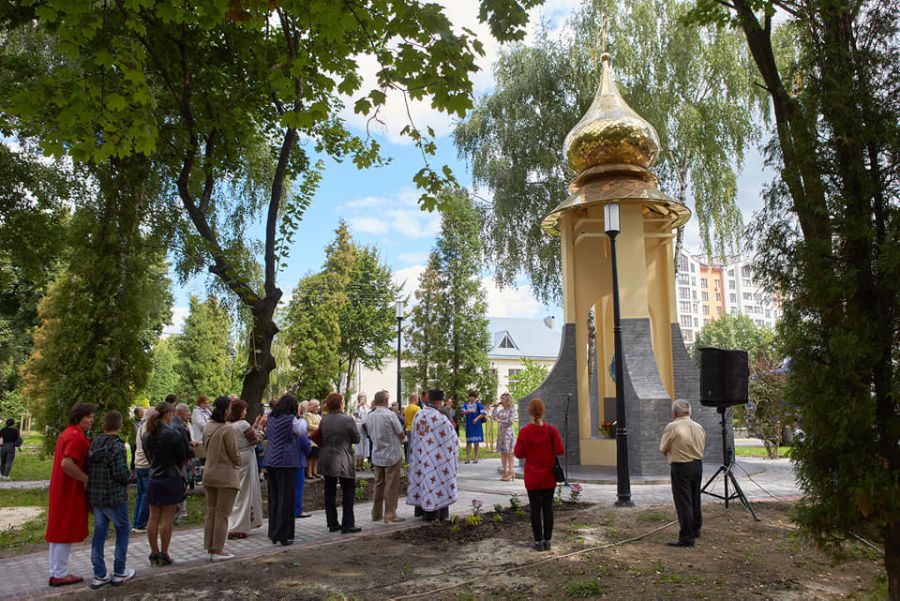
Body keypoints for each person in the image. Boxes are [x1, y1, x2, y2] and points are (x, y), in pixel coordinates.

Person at [45, 402, 94, 587]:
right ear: (78, 417)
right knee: (65, 529)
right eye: (88, 417)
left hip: (60, 487)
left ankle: (56, 570)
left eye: (91, 417)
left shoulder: (68, 433)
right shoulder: (76, 438)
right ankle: (60, 573)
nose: (90, 420)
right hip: (69, 489)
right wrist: (85, 479)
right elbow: (67, 464)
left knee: (58, 529)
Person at [87, 410, 136, 589]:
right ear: (120, 426)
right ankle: (119, 571)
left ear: (103, 426)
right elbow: (120, 473)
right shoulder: (117, 446)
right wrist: (130, 476)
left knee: (99, 534)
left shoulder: (94, 444)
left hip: (97, 497)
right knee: (122, 530)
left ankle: (99, 574)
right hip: (115, 497)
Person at [143, 401, 189, 566]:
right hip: (170, 477)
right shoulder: (173, 434)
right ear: (168, 414)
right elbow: (182, 457)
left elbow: (149, 458)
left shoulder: (147, 435)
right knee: (167, 518)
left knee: (153, 516)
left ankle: (153, 553)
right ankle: (164, 553)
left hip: (154, 477)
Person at [514, 398, 564, 551]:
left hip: (532, 478)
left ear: (529, 412)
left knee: (535, 510)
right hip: (548, 477)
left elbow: (518, 453)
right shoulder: (552, 430)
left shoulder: (524, 431)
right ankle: (547, 541)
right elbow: (560, 450)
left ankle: (538, 541)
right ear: (543, 411)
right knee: (548, 508)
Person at [659, 399, 706, 548]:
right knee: (695, 497)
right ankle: (696, 528)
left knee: (683, 501)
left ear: (674, 413)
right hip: (697, 465)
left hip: (681, 466)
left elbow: (663, 447)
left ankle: (686, 536)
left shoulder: (673, 426)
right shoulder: (698, 426)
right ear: (689, 412)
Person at [406, 389, 458, 521]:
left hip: (422, 456)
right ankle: (437, 513)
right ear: (439, 401)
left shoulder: (419, 414)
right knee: (436, 483)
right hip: (437, 459)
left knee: (423, 479)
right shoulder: (441, 418)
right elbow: (453, 439)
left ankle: (423, 511)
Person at [202, 396, 240, 561]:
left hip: (209, 473)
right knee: (223, 514)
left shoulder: (207, 426)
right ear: (226, 410)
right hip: (225, 476)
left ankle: (210, 546)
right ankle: (218, 549)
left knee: (211, 512)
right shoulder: (227, 429)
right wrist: (239, 461)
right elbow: (234, 453)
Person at [264, 394, 305, 545]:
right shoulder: (292, 420)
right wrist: (301, 417)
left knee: (274, 497)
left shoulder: (271, 418)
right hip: (286, 461)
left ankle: (273, 532)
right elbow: (301, 431)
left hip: (271, 460)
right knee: (286, 498)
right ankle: (283, 534)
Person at [319, 392, 361, 533]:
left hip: (326, 458)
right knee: (348, 491)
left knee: (329, 492)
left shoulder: (324, 419)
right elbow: (356, 439)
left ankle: (332, 523)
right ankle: (347, 524)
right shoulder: (348, 419)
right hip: (343, 458)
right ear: (341, 404)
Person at [365, 390, 406, 524]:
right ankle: (390, 515)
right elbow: (400, 433)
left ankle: (376, 514)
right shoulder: (390, 415)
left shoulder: (369, 416)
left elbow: (367, 432)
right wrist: (401, 440)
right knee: (391, 486)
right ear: (386, 400)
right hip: (392, 454)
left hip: (377, 453)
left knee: (378, 484)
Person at [228, 399, 264, 538]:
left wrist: (254, 426)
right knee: (246, 491)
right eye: (244, 409)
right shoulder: (243, 424)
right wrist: (259, 428)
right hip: (247, 457)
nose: (246, 411)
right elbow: (254, 440)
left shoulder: (229, 425)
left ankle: (237, 523)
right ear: (240, 411)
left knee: (238, 492)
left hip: (236, 456)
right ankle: (240, 526)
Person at [172, 403, 197, 522]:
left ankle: (179, 512)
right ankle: (177, 514)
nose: (189, 414)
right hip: (181, 462)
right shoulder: (179, 426)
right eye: (187, 412)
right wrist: (191, 448)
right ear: (180, 412)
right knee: (182, 485)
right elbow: (184, 447)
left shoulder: (174, 424)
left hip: (176, 461)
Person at [292, 402, 312, 520]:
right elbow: (305, 443)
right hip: (298, 459)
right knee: (298, 486)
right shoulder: (298, 424)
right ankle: (297, 510)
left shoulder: (275, 420)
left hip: (280, 460)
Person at [132, 407, 150, 534]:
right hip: (145, 465)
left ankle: (136, 522)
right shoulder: (149, 429)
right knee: (146, 495)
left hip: (138, 464)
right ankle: (141, 523)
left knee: (140, 495)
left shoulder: (141, 428)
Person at [495, 393, 517, 481]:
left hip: (508, 434)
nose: (501, 400)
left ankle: (511, 472)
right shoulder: (500, 411)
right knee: (502, 452)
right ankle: (504, 472)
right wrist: (495, 408)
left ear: (508, 400)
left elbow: (510, 422)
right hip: (501, 433)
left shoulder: (512, 410)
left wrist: (499, 420)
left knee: (509, 453)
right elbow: (494, 417)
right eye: (501, 398)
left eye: (503, 398)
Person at [461, 391, 487, 464]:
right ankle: (468, 458)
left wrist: (476, 418)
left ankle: (476, 457)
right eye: (470, 396)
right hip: (469, 425)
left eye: (473, 397)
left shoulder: (479, 405)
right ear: (469, 397)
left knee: (476, 442)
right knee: (468, 442)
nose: (471, 398)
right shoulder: (465, 405)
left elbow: (483, 413)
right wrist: (469, 411)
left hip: (477, 424)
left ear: (475, 398)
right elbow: (462, 413)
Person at [191, 396, 211, 463]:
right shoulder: (196, 412)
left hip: (207, 438)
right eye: (205, 403)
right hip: (200, 440)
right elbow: (202, 425)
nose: (207, 405)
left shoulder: (207, 411)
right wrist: (211, 425)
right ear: (200, 403)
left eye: (207, 403)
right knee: (202, 460)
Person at [354, 393, 371, 471]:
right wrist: (358, 407)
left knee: (365, 445)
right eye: (361, 396)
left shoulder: (367, 407)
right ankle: (358, 464)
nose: (362, 398)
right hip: (358, 427)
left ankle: (362, 463)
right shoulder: (356, 405)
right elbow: (355, 415)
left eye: (364, 396)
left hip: (365, 428)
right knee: (359, 446)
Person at [305, 399, 322, 480]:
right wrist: (319, 427)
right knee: (310, 457)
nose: (317, 408)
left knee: (316, 457)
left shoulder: (319, 416)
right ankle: (309, 473)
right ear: (311, 406)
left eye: (318, 406)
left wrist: (318, 427)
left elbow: (321, 425)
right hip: (311, 439)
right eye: (315, 406)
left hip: (318, 440)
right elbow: (309, 426)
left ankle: (315, 472)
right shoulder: (308, 415)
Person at [128, 407, 144, 476]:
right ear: (136, 413)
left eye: (143, 412)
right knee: (134, 457)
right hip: (134, 442)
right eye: (141, 412)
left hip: (141, 443)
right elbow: (136, 431)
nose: (143, 413)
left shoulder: (143, 421)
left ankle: (138, 472)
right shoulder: (132, 422)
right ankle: (133, 473)